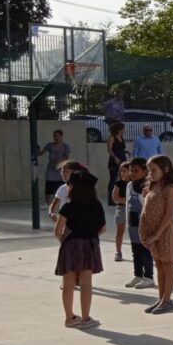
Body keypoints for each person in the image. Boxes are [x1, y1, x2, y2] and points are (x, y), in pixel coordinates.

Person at [55, 171, 106, 326]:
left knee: (68, 282)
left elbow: (58, 231)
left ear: (74, 187)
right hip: (89, 244)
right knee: (86, 283)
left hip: (70, 244)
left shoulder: (68, 206)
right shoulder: (96, 205)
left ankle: (69, 317)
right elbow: (103, 228)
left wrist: (64, 242)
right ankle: (85, 318)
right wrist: (90, 235)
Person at [140, 155, 173, 315]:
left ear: (166, 169)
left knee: (167, 264)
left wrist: (156, 235)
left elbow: (168, 215)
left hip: (163, 233)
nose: (150, 173)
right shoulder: (151, 187)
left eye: (154, 170)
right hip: (152, 233)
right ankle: (161, 298)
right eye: (149, 170)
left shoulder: (169, 189)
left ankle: (167, 300)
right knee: (159, 264)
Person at [124, 158, 155, 290]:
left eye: (136, 170)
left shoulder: (149, 186)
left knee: (145, 250)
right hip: (132, 223)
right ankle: (138, 275)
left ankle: (148, 277)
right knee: (135, 250)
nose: (132, 173)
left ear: (145, 171)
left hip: (145, 224)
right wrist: (128, 223)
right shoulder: (129, 186)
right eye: (131, 170)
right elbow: (127, 204)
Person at [38, 129, 71, 206]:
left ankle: (64, 202)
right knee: (49, 186)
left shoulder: (65, 146)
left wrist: (60, 160)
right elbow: (40, 153)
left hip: (61, 169)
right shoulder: (49, 145)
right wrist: (37, 149)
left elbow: (67, 158)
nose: (56, 138)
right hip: (51, 169)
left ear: (61, 136)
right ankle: (47, 203)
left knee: (63, 186)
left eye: (57, 136)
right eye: (54, 136)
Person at [109, 162, 130, 262]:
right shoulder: (119, 183)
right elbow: (114, 198)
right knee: (120, 231)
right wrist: (126, 200)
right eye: (121, 171)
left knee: (138, 231)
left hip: (134, 210)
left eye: (125, 171)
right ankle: (118, 252)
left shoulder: (136, 183)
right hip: (122, 209)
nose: (122, 173)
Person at [106, 121, 126, 207]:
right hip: (114, 161)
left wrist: (126, 152)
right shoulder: (112, 137)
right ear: (119, 129)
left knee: (122, 179)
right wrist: (115, 158)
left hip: (123, 160)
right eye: (123, 128)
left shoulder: (121, 137)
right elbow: (110, 150)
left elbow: (120, 148)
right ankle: (111, 200)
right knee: (113, 179)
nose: (125, 130)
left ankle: (120, 197)